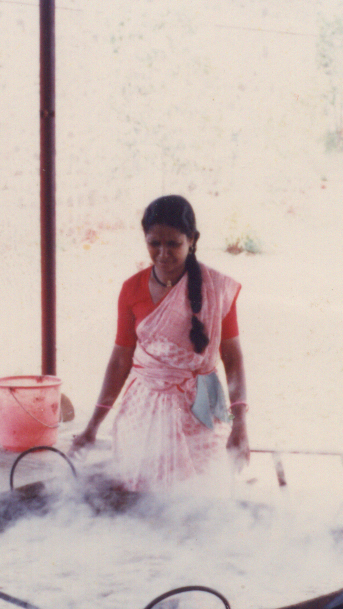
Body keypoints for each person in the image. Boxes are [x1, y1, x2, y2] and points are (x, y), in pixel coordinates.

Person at [72, 195, 249, 490]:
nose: (163, 253)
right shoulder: (132, 289)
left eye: (174, 244)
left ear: (192, 240)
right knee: (144, 497)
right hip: (144, 409)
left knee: (203, 495)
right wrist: (92, 427)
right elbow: (119, 361)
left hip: (204, 405)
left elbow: (232, 358)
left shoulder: (217, 289)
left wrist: (240, 424)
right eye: (154, 243)